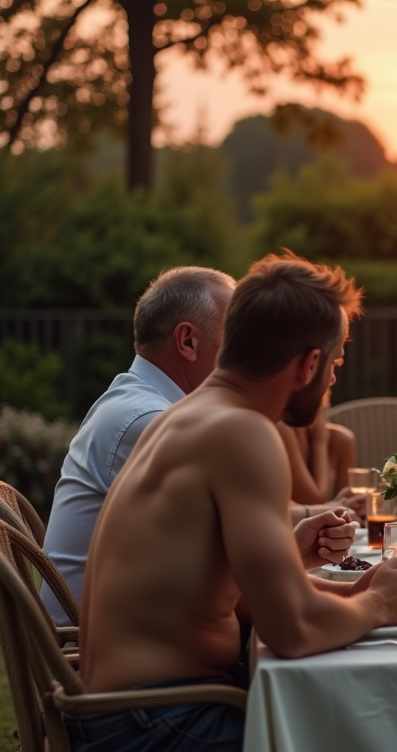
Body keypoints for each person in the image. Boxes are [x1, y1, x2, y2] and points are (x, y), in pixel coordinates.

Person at [71, 253, 397, 752]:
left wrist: (351, 593)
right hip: (154, 722)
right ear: (309, 364)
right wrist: (380, 603)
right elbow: (292, 630)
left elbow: (242, 597)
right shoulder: (243, 433)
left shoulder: (191, 415)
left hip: (133, 709)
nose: (333, 381)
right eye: (336, 363)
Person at [41, 266, 236, 624]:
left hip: (115, 630)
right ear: (188, 342)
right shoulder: (149, 421)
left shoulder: (135, 403)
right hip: (93, 650)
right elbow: (223, 567)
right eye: (235, 336)